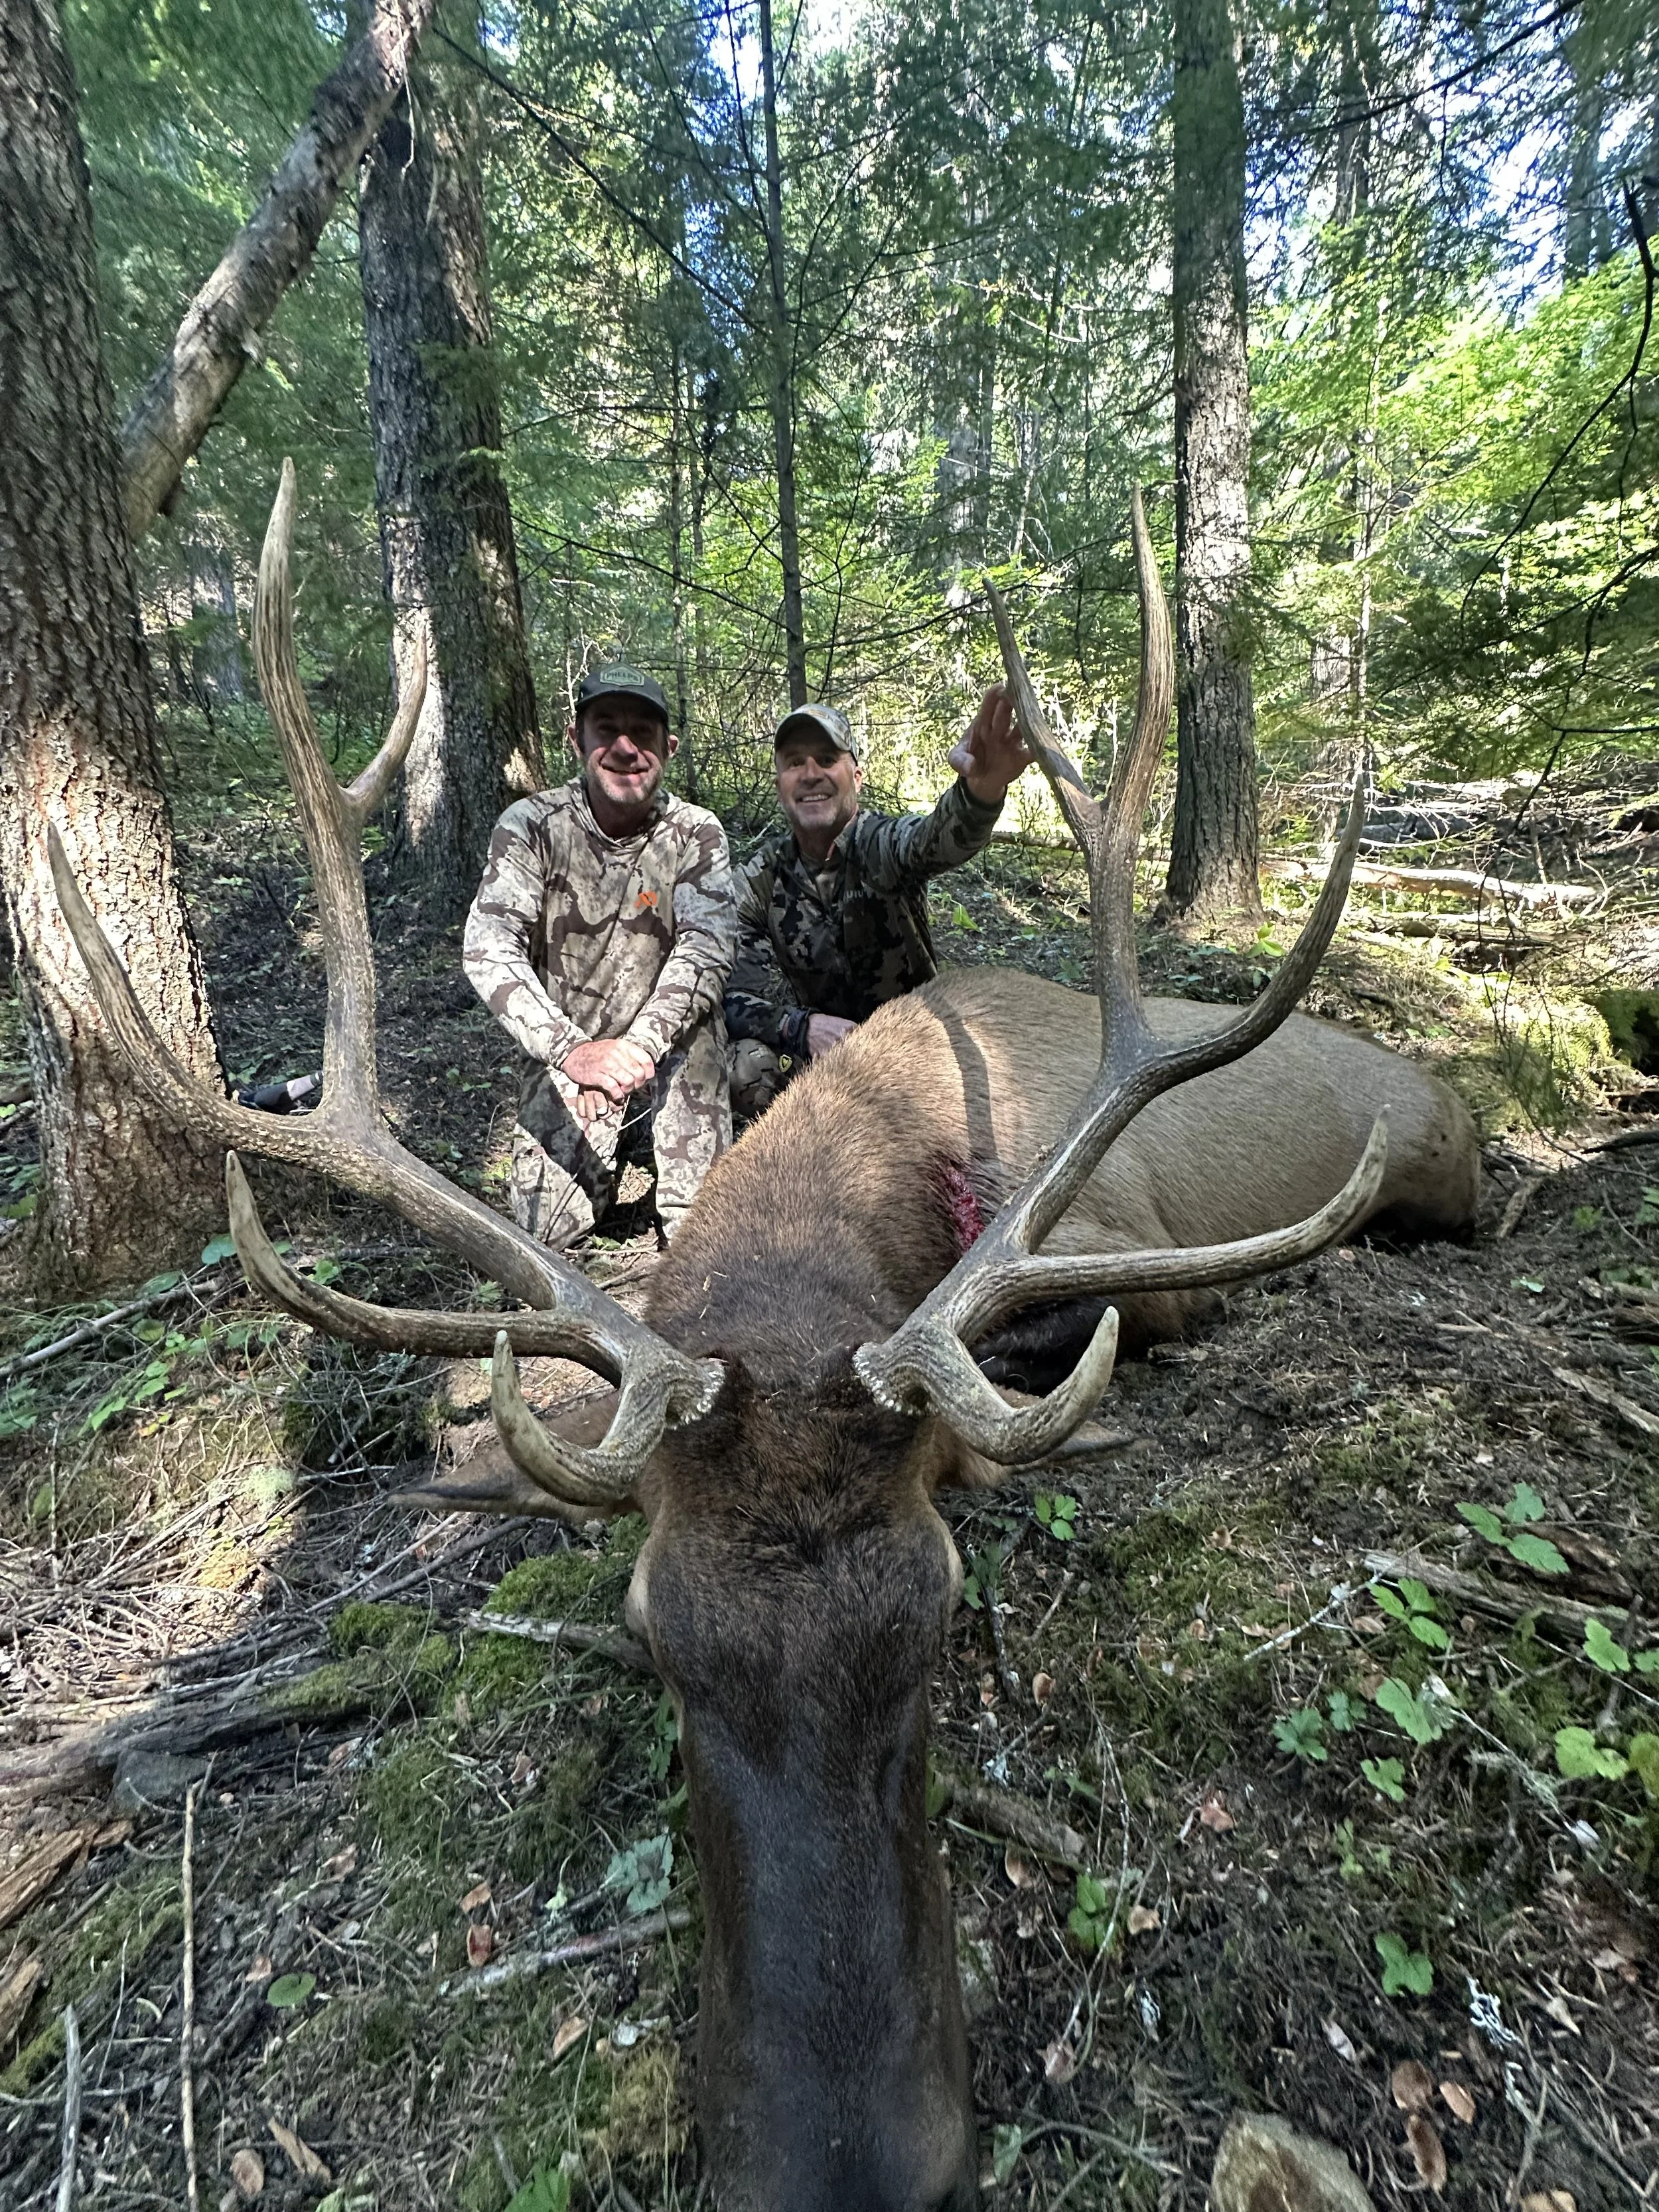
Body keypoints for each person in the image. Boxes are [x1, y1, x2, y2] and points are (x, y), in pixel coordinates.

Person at [464, 664, 737, 1247]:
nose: (624, 747)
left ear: (669, 747)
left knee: (705, 1242)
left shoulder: (696, 834)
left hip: (671, 1051)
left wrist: (637, 1047)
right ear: (576, 739)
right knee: (548, 1235)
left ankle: (684, 1186)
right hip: (572, 1052)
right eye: (605, 728)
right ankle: (612, 1155)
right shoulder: (532, 827)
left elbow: (707, 948)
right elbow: (488, 946)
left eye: (642, 732)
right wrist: (574, 1052)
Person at [723, 689, 1035, 1112]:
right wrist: (804, 1027)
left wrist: (978, 793)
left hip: (917, 1054)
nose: (811, 773)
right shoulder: (760, 878)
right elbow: (732, 995)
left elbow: (933, 840)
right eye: (795, 763)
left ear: (857, 776)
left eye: (828, 759)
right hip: (827, 1057)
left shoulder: (880, 844)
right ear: (780, 785)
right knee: (744, 1067)